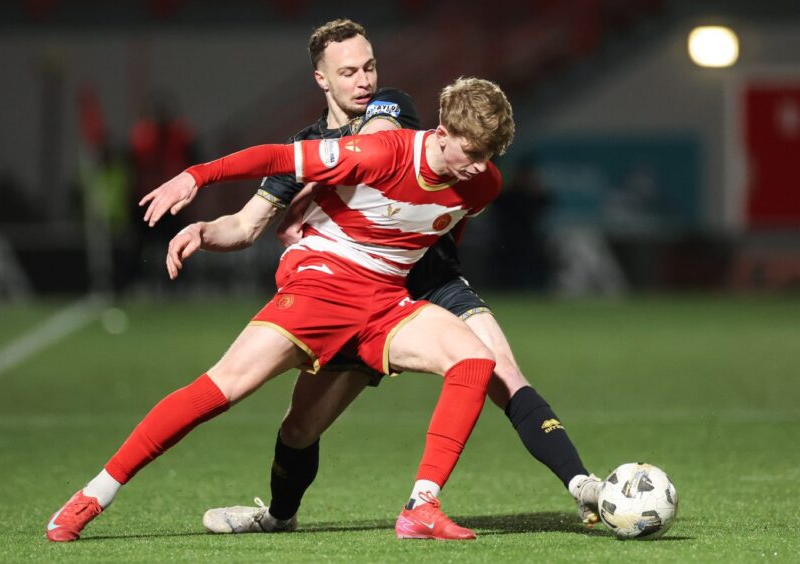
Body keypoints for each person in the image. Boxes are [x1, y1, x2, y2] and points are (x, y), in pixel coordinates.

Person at [45, 74, 515, 543]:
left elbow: (436, 230)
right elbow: (277, 157)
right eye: (472, 153)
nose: (479, 167)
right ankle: (94, 494)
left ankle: (421, 507)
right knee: (222, 388)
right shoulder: (384, 153)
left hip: (385, 302)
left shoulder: (482, 184)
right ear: (442, 133)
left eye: (489, 156)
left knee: (474, 359)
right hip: (322, 289)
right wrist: (196, 175)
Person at [192, 20, 601, 537]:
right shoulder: (304, 147)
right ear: (323, 80)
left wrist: (325, 195)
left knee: (499, 368)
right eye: (349, 72)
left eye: (369, 66)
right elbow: (249, 225)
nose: (364, 80)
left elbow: (389, 150)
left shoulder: (390, 107)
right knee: (301, 426)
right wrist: (209, 228)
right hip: (351, 287)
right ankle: (277, 516)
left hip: (429, 276)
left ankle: (585, 486)